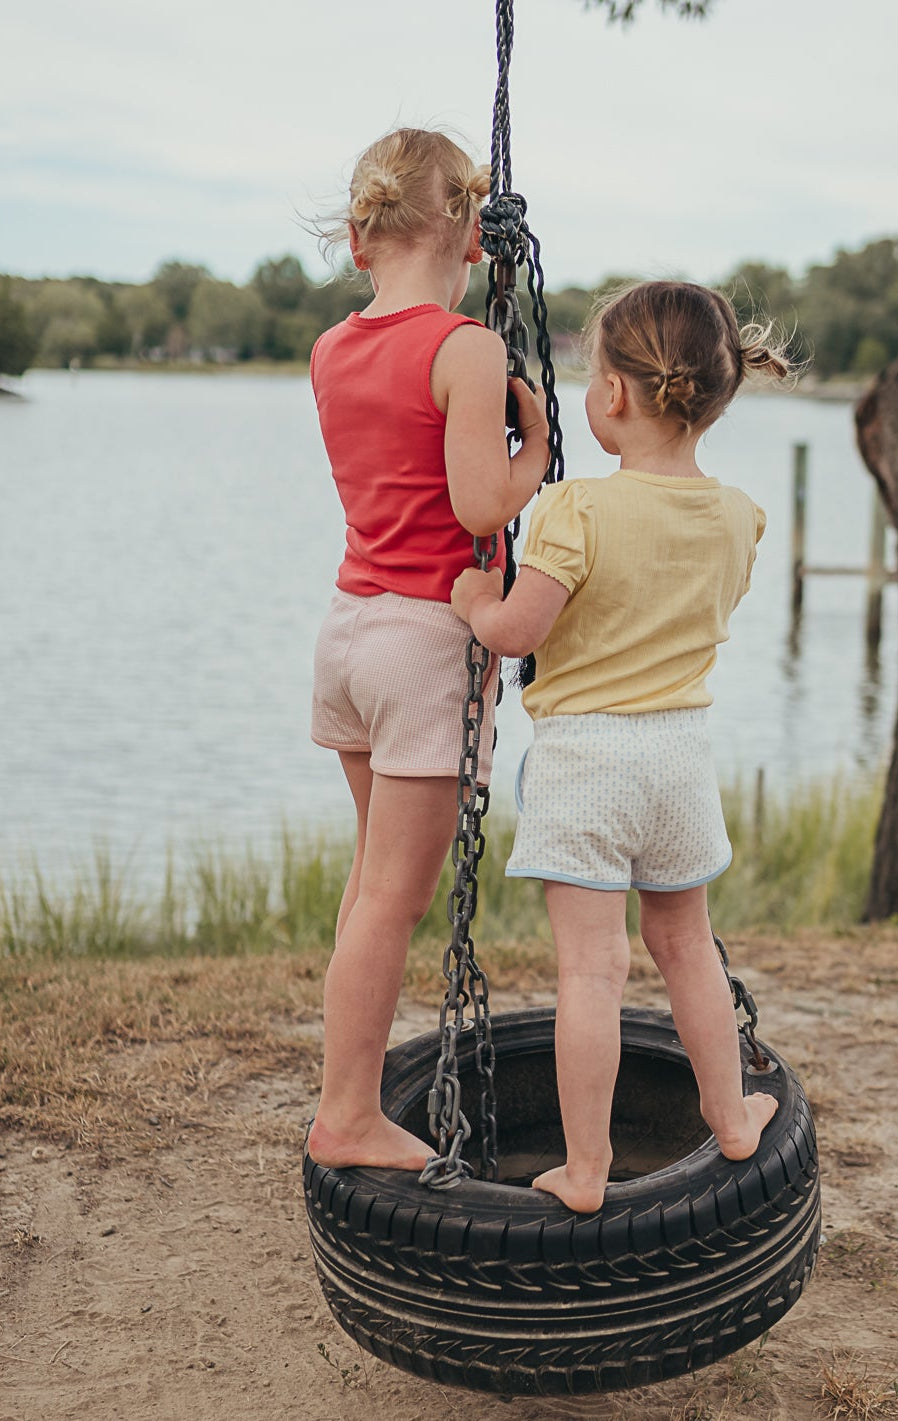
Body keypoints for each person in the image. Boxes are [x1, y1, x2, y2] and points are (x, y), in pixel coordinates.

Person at [451, 279, 790, 1212]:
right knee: (688, 945)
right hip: (681, 757)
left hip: (586, 762)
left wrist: (474, 599)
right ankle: (728, 1115)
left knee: (591, 971)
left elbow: (518, 630)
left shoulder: (576, 513)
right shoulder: (740, 516)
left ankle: (588, 1167)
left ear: (611, 396)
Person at [306, 128, 550, 1172]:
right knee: (393, 903)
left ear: (359, 241)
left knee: (371, 887)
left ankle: (345, 1100)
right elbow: (475, 501)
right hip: (421, 641)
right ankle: (348, 1115)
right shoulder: (464, 348)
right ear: (471, 235)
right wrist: (532, 450)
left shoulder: (330, 348)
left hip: (349, 628)